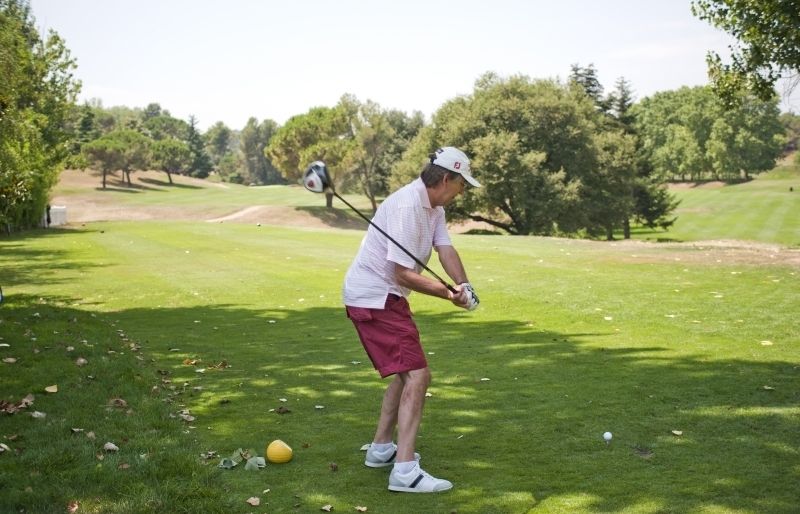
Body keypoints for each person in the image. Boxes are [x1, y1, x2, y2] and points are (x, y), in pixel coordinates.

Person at [342, 146, 481, 493]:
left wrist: (463, 284)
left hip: (386, 297)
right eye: (462, 185)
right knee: (418, 375)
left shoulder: (434, 207)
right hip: (376, 297)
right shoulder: (407, 205)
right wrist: (447, 294)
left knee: (407, 372)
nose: (462, 192)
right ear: (446, 178)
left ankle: (381, 449)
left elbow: (444, 248)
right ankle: (404, 472)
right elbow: (401, 273)